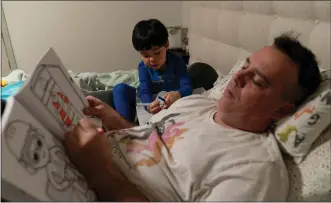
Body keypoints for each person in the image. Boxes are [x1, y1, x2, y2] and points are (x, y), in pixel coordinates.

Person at [64, 33, 322, 201]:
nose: (237, 77)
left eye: (256, 79)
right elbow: (152, 140)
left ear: (281, 110)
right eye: (245, 66)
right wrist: (113, 119)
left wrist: (98, 172)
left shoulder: (255, 170)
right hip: (78, 160)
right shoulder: (198, 103)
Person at [112, 19, 193, 122]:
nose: (152, 59)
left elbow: (187, 86)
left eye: (157, 52)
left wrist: (178, 94)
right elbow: (144, 91)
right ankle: (124, 126)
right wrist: (149, 106)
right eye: (145, 55)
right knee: (119, 89)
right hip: (150, 99)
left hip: (170, 99)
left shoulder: (177, 61)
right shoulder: (143, 67)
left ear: (167, 45)